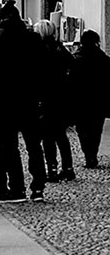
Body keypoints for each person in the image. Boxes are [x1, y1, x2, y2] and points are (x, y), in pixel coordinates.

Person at [0, 2, 46, 201]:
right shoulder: (33, 38)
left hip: (2, 101)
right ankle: (38, 186)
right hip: (29, 99)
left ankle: (17, 188)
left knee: (8, 147)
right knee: (34, 146)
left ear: (2, 19)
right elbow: (42, 70)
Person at [34, 20, 75, 182]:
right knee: (61, 135)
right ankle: (68, 168)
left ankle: (52, 168)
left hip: (45, 97)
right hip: (61, 97)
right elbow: (73, 66)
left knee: (48, 137)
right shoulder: (60, 48)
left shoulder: (39, 49)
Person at [70, 29, 110, 169]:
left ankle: (88, 154)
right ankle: (92, 154)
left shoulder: (76, 59)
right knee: (96, 129)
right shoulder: (104, 59)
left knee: (82, 129)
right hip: (99, 100)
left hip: (81, 100)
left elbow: (71, 82)